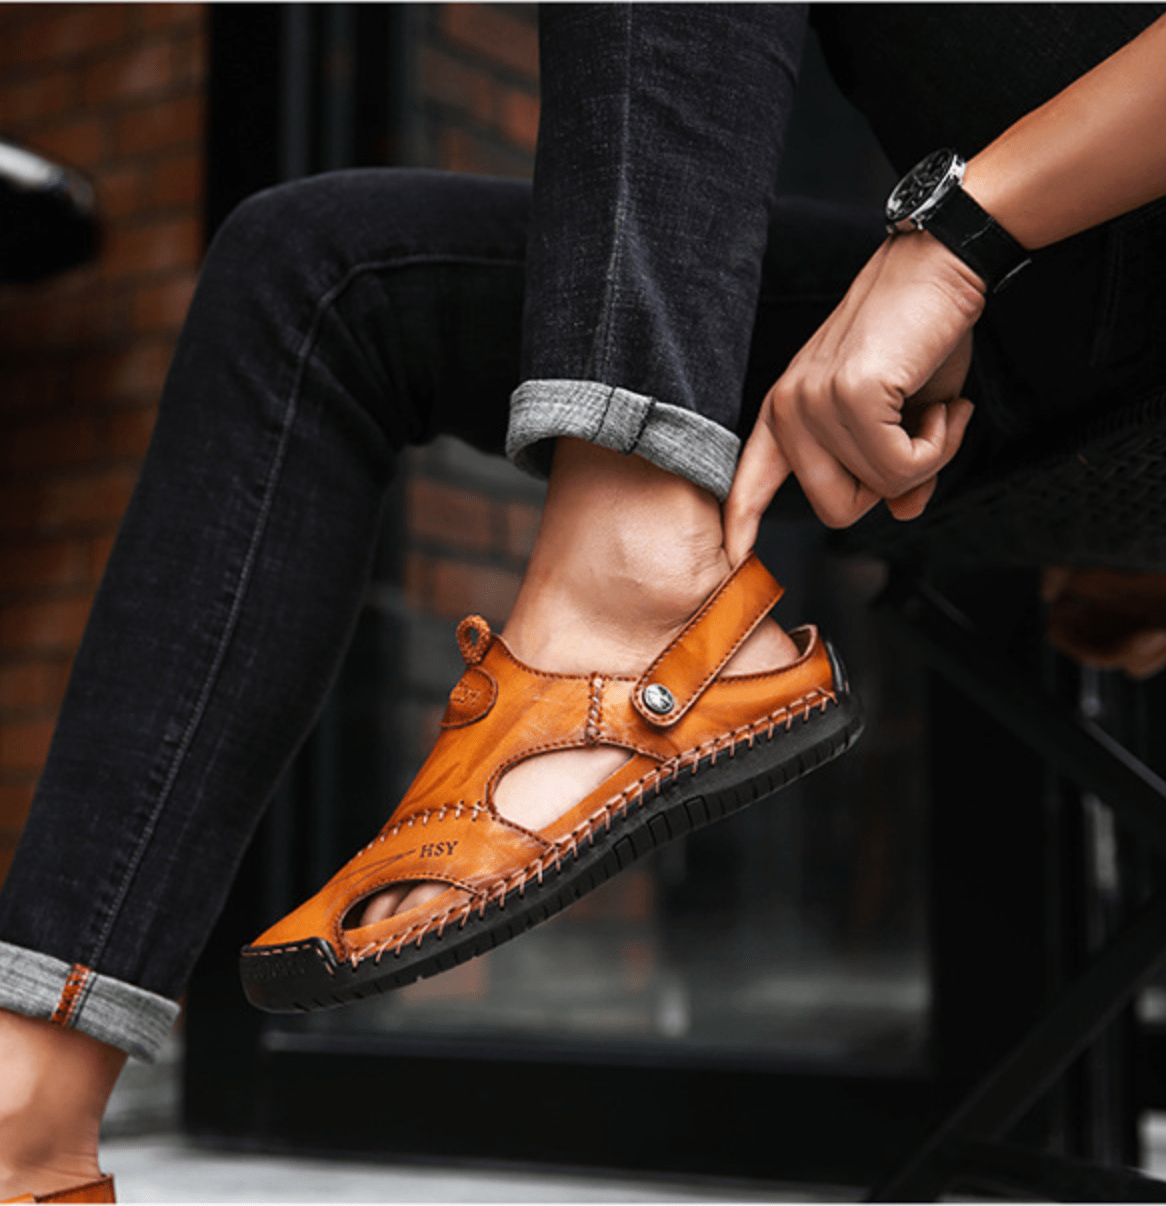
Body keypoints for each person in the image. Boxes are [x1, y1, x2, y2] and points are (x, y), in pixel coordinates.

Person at [3, 4, 1166, 1200]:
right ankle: (26, 1124)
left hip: (1038, 275)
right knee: (311, 272)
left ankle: (631, 586)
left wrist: (953, 237)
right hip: (1017, 334)